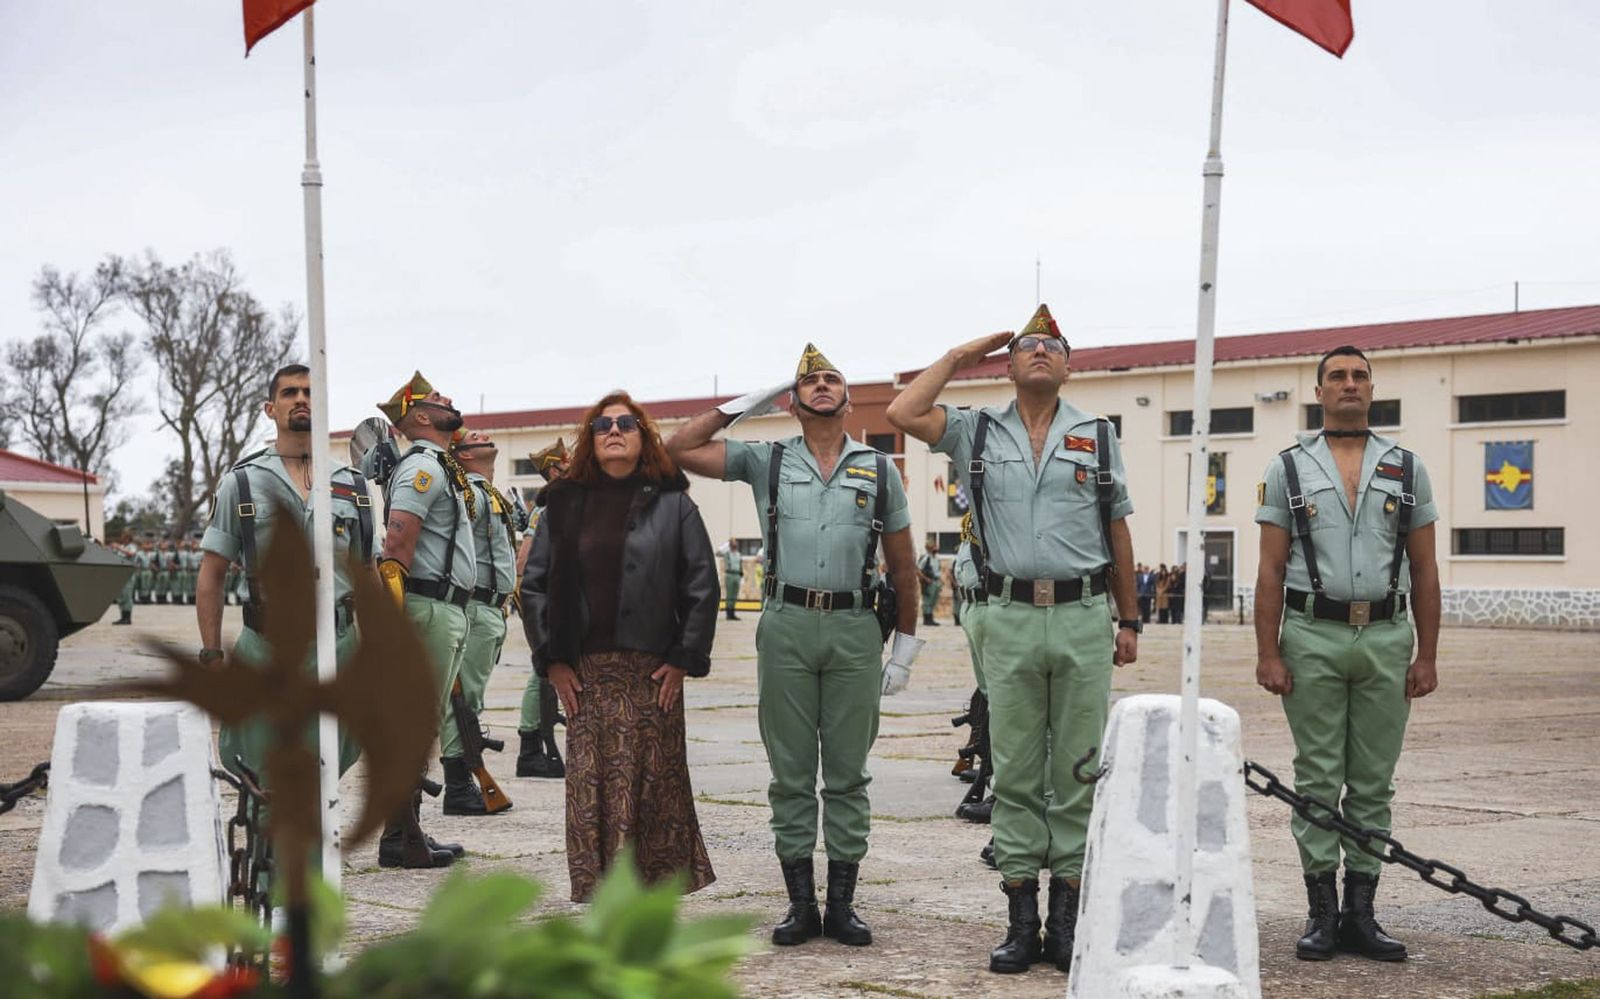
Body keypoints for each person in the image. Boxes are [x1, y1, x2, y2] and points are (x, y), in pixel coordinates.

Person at [888, 304, 1140, 976]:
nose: (1038, 352)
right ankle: (1020, 920)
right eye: (1026, 345)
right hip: (1009, 616)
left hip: (1085, 615)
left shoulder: (1098, 435)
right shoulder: (975, 430)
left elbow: (1117, 528)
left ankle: (1066, 920)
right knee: (1019, 771)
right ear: (1008, 362)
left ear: (1067, 364)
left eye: (1051, 346)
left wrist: (1132, 618)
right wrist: (958, 353)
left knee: (1078, 768)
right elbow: (904, 413)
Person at [668, 344, 923, 949]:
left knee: (847, 772)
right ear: (792, 400)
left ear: (848, 397)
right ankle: (800, 904)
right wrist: (740, 406)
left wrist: (906, 647)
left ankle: (843, 906)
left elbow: (905, 565)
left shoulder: (879, 468)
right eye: (809, 381)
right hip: (785, 622)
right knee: (789, 770)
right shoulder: (768, 459)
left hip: (855, 627)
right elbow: (679, 448)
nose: (823, 386)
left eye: (833, 379)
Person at [193, 364, 440, 867]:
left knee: (326, 767)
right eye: (289, 392)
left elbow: (370, 573)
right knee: (265, 776)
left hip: (341, 645)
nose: (300, 399)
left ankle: (307, 886)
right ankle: (272, 894)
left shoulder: (349, 485)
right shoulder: (241, 484)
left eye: (310, 392)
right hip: (268, 650)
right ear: (271, 408)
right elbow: (212, 573)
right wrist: (212, 654)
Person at [1254, 345, 1440, 963]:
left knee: (1372, 784)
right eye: (1337, 376)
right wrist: (1268, 651)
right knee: (1316, 776)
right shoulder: (1288, 468)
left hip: (1387, 634)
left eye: (1360, 375)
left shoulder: (1407, 468)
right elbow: (1271, 568)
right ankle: (1322, 912)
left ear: (1372, 388)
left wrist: (1428, 654)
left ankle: (1362, 911)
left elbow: (1425, 567)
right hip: (1312, 635)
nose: (1350, 384)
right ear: (1319, 392)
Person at [521, 391, 719, 902]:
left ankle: (654, 909)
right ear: (589, 439)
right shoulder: (562, 503)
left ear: (643, 436)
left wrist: (682, 660)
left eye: (626, 424)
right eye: (602, 424)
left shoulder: (674, 503)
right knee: (592, 793)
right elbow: (535, 585)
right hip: (585, 677)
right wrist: (552, 661)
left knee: (655, 793)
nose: (613, 431)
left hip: (652, 676)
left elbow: (702, 585)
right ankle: (602, 904)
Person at [375, 372, 486, 830]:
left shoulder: (442, 466)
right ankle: (401, 834)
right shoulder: (423, 468)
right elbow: (398, 543)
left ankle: (407, 831)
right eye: (439, 399)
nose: (450, 400)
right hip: (428, 607)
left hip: (448, 609)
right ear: (420, 415)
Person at [442, 427, 518, 812]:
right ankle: (458, 786)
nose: (484, 435)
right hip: (474, 605)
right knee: (462, 698)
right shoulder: (466, 493)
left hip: (492, 608)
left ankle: (463, 777)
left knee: (471, 697)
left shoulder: (490, 494)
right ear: (464, 455)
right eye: (474, 436)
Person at [514, 438, 570, 779]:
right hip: (546, 597)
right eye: (568, 464)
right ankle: (531, 743)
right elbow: (525, 559)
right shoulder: (547, 509)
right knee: (543, 671)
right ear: (554, 470)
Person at [917, 538, 943, 626]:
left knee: (933, 600)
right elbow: (918, 570)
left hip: (936, 581)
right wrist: (925, 579)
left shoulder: (935, 558)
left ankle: (931, 618)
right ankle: (926, 619)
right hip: (928, 582)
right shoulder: (926, 558)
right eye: (934, 546)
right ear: (930, 547)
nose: (936, 548)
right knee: (927, 601)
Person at [721, 538, 745, 621]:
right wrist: (726, 545)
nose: (735, 544)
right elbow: (717, 552)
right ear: (730, 544)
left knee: (735, 595)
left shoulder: (739, 554)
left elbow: (740, 564)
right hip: (730, 574)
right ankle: (728, 614)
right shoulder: (727, 553)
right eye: (733, 543)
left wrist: (742, 574)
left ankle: (733, 613)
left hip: (737, 575)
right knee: (729, 595)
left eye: (736, 543)